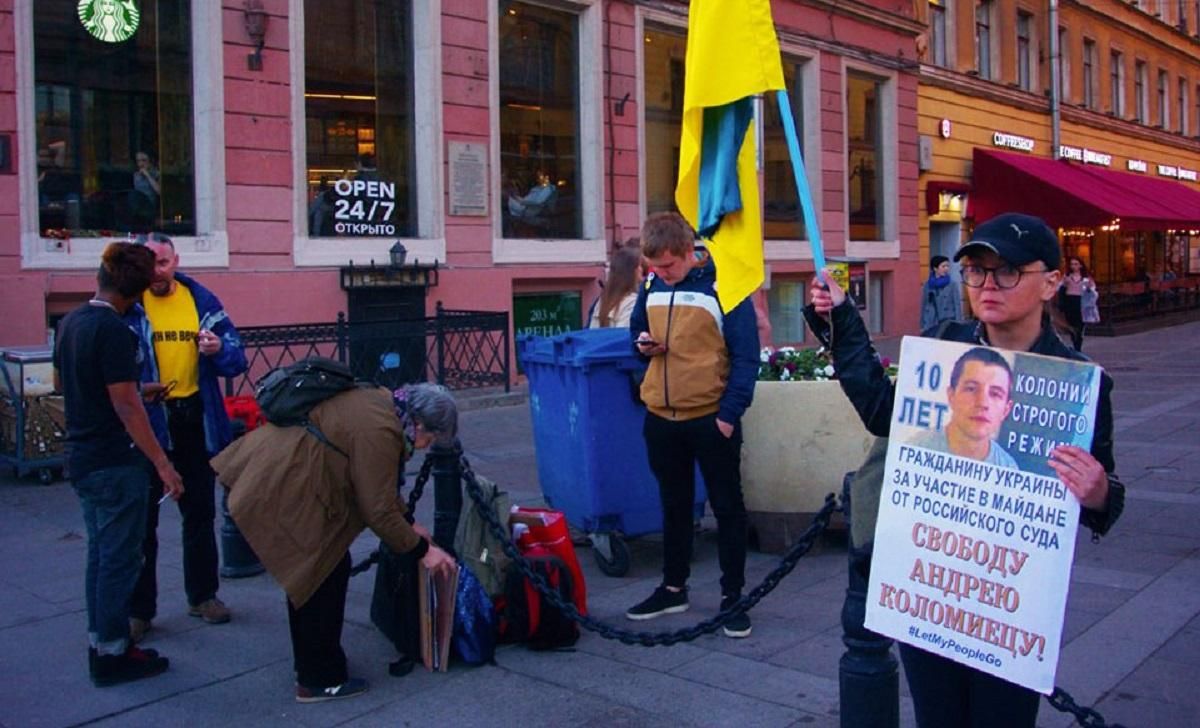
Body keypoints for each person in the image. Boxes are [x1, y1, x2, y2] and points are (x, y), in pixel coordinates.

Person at [805, 212, 1124, 728]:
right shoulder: (945, 343)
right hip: (931, 586)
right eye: (976, 271)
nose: (987, 285)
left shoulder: (1080, 384)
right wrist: (842, 319)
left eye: (1008, 272)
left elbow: (1104, 498)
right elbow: (884, 413)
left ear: (1051, 283)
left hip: (1009, 606)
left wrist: (1098, 491)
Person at [210, 383, 458, 703]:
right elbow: (377, 509)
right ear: (421, 424)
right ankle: (319, 679)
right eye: (432, 439)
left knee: (316, 573)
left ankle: (312, 664)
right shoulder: (382, 431)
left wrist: (409, 524)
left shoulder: (382, 405)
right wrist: (423, 551)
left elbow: (374, 484)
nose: (426, 446)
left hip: (286, 473)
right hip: (290, 483)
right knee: (321, 572)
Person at [53, 242, 184, 686]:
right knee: (119, 559)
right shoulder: (114, 331)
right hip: (114, 461)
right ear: (139, 290)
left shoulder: (71, 322)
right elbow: (127, 409)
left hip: (83, 455)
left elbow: (76, 384)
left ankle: (101, 640)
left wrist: (136, 387)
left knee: (100, 554)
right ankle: (112, 652)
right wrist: (163, 463)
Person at [624, 212, 760, 638]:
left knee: (727, 507)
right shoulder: (652, 284)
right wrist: (643, 346)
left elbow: (746, 356)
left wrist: (727, 416)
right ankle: (673, 586)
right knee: (674, 505)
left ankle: (733, 596)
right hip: (662, 416)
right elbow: (636, 332)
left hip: (709, 417)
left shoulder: (724, 286)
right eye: (654, 268)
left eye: (668, 266)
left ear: (688, 253)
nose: (661, 275)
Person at [124, 232, 248, 642]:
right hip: (148, 421)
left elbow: (236, 355)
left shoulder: (201, 301)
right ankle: (139, 609)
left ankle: (203, 596)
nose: (156, 271)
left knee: (200, 512)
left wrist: (217, 349)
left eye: (162, 263)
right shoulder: (128, 304)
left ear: (175, 261)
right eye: (148, 263)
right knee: (142, 520)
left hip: (193, 417)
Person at [907, 347, 1019, 469]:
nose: (982, 403)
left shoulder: (1008, 468)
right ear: (951, 396)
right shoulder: (915, 448)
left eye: (995, 394)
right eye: (971, 389)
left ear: (1006, 410)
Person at [588, 241, 645, 328]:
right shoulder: (633, 302)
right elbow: (625, 335)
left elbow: (592, 331)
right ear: (632, 270)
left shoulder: (603, 300)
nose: (642, 269)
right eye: (640, 266)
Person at [920, 255, 962, 331]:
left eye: (947, 266)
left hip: (948, 321)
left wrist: (958, 324)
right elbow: (924, 304)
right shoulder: (927, 285)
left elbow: (957, 304)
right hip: (931, 322)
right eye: (943, 266)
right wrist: (922, 324)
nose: (946, 269)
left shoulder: (952, 284)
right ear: (935, 268)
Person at [1058, 256, 1093, 351]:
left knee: (1080, 324)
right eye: (1072, 264)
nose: (1074, 266)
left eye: (1076, 264)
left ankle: (1078, 344)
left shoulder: (1086, 279)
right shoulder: (1067, 277)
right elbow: (1061, 289)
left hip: (1081, 302)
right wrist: (1062, 304)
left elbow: (1092, 291)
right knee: (1072, 324)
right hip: (1070, 301)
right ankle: (1075, 341)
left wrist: (1090, 289)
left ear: (1081, 265)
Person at [130, 151, 161, 229]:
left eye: (144, 160)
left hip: (151, 209)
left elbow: (159, 191)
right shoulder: (135, 175)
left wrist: (147, 175)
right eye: (138, 161)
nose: (141, 164)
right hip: (138, 209)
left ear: (150, 161)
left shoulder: (156, 174)